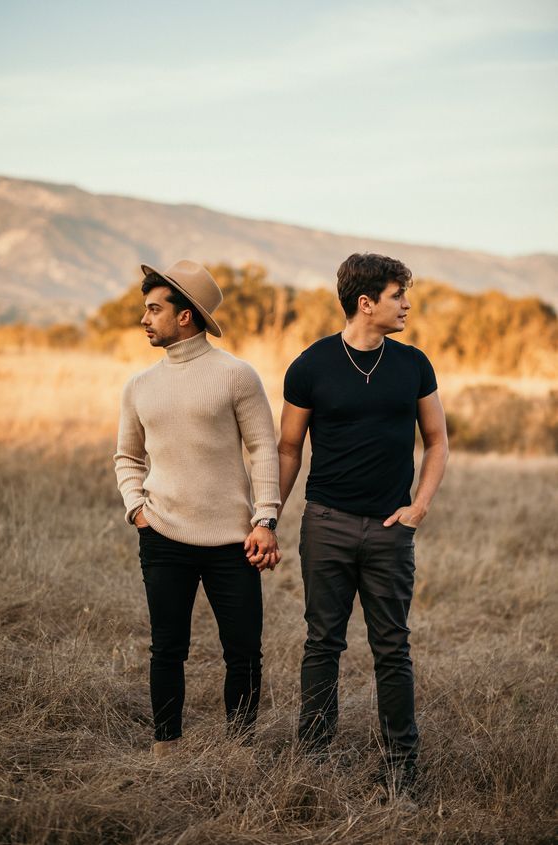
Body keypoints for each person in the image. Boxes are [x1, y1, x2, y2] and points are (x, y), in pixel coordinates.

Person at [278, 252, 448, 791]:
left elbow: (438, 440)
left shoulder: (414, 364)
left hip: (391, 529)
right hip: (325, 522)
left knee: (392, 647)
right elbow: (288, 449)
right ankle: (313, 760)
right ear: (366, 302)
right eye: (399, 296)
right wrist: (266, 517)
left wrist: (418, 507)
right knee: (323, 642)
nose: (407, 305)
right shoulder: (310, 366)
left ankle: (402, 766)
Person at [114, 259, 281, 759]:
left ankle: (241, 749)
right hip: (162, 535)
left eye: (154, 309)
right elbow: (127, 456)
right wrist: (137, 511)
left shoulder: (236, 375)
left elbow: (264, 448)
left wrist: (265, 518)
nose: (144, 318)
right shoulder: (139, 385)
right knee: (167, 649)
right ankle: (167, 749)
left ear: (185, 316)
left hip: (233, 540)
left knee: (244, 653)